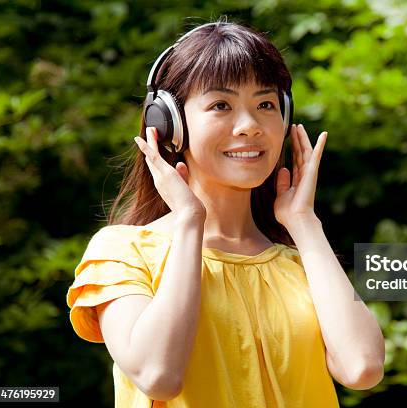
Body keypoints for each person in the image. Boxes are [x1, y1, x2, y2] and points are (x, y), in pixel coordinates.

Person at [66, 18, 384, 408]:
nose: (249, 126)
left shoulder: (300, 264)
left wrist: (304, 223)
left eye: (265, 104)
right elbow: (158, 375)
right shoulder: (122, 251)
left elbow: (363, 367)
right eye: (221, 105)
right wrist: (189, 222)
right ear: (169, 125)